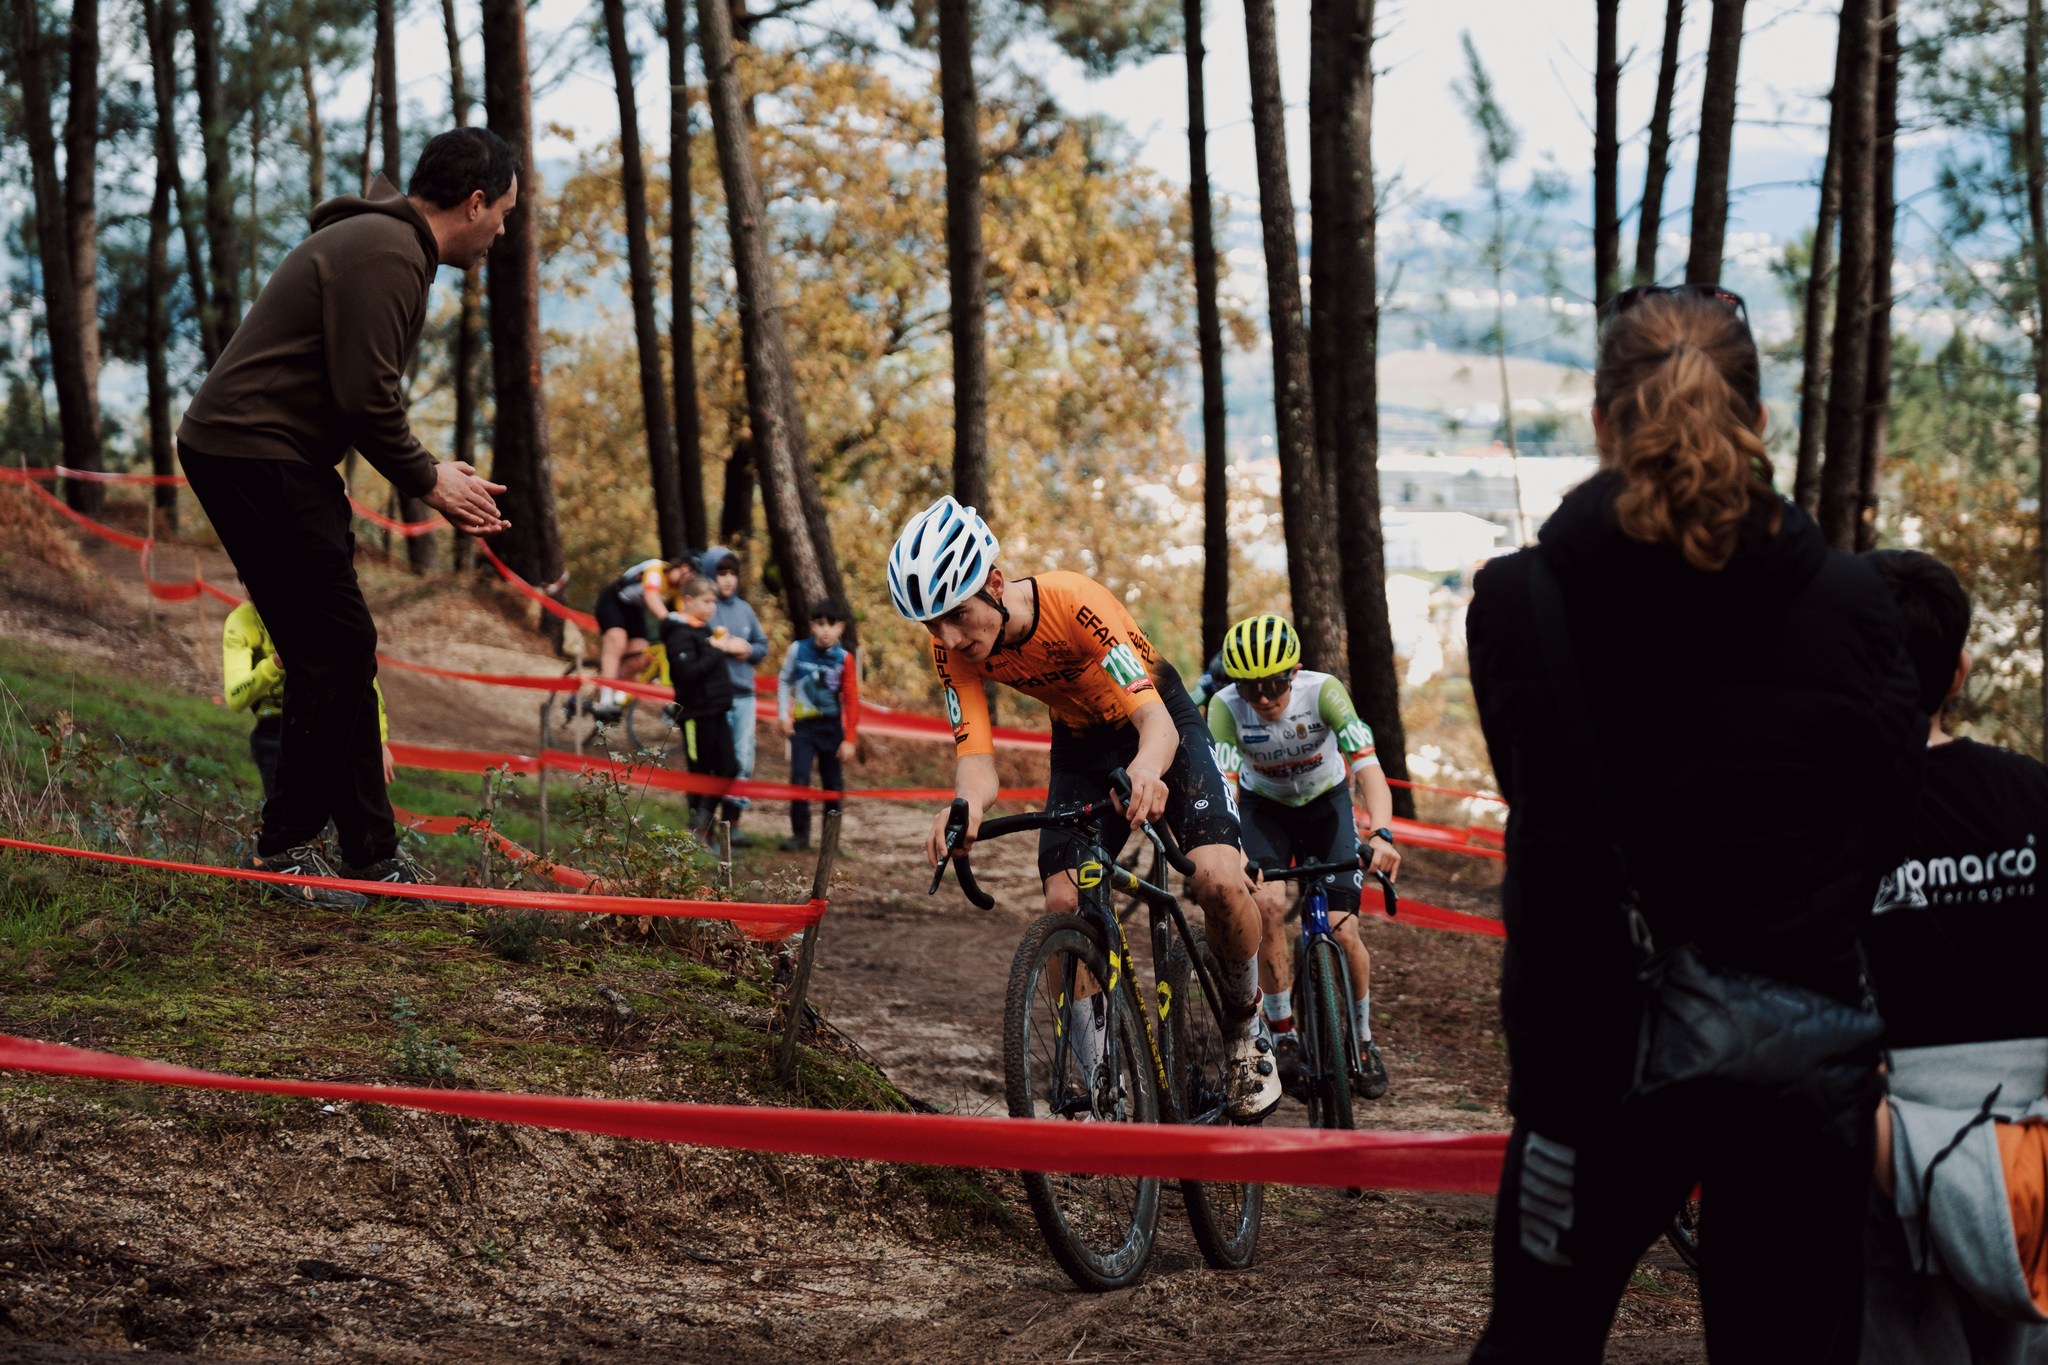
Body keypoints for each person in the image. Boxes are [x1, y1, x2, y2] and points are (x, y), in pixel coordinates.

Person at [1464, 284, 1923, 1363]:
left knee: (1536, 1341)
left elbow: (1536, 798)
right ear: (1759, 422)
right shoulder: (1856, 607)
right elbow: (1888, 824)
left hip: (1586, 1056)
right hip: (1798, 1060)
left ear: (1600, 424)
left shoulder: (1515, 604)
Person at [175, 127, 516, 909]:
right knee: (334, 642)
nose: (503, 229)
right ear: (474, 202)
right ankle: (286, 851)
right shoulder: (388, 253)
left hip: (271, 454)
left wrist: (429, 470)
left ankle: (373, 854)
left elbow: (352, 392)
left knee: (334, 643)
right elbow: (365, 396)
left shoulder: (385, 246)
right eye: (503, 211)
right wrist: (431, 481)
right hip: (256, 453)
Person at [888, 495, 1282, 1121]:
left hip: (1159, 725)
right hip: (1079, 744)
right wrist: (963, 805)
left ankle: (1245, 1023)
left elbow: (1155, 721)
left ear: (993, 583)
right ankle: (1101, 1087)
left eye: (957, 615)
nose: (951, 638)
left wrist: (1148, 771)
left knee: (1217, 880)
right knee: (1064, 902)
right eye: (933, 625)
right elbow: (977, 757)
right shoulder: (951, 648)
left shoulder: (1075, 604)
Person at [1860, 549, 2048, 1363]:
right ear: (1960, 668)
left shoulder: (1827, 823)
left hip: (1881, 1160)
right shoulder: (2035, 793)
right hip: (2033, 1163)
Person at [1206, 613, 1401, 1101]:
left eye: (1273, 685)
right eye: (1251, 689)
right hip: (1262, 808)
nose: (1264, 698)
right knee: (1267, 905)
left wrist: (1381, 833)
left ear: (1293, 674)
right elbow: (1225, 784)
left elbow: (1368, 766)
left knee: (1344, 928)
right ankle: (1284, 1032)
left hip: (1327, 804)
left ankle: (1363, 1039)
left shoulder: (1324, 692)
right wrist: (1232, 850)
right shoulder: (1225, 707)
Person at [223, 600, 393, 799]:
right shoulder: (241, 621)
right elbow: (236, 697)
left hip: (326, 722)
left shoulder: (316, 611)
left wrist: (379, 742)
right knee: (290, 816)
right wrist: (275, 664)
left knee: (342, 813)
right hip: (274, 730)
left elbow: (362, 676)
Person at [652, 574, 737, 838]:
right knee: (699, 772)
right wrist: (715, 650)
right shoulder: (678, 633)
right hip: (695, 714)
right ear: (688, 601)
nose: (712, 607)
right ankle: (697, 828)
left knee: (728, 768)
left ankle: (704, 819)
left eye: (714, 602)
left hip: (718, 710)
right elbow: (687, 672)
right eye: (707, 601)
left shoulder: (703, 630)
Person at [776, 598, 861, 853]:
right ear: (812, 625)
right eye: (820, 623)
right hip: (803, 726)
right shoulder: (797, 650)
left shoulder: (845, 658)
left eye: (831, 624)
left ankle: (831, 841)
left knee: (832, 784)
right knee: (799, 778)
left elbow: (852, 699)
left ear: (841, 628)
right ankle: (800, 834)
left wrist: (850, 739)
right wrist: (783, 715)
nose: (826, 629)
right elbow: (783, 681)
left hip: (832, 728)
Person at [701, 546, 769, 843]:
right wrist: (724, 646)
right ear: (710, 575)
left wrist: (749, 650)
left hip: (744, 696)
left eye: (732, 574)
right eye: (721, 573)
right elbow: (697, 642)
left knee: (742, 758)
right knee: (716, 760)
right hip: (714, 697)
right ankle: (707, 824)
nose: (728, 580)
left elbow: (762, 645)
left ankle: (733, 823)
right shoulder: (706, 608)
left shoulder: (744, 610)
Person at [589, 557, 687, 722]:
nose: (687, 579)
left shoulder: (677, 590)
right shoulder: (657, 569)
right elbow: (651, 597)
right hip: (613, 600)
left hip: (634, 610)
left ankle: (617, 694)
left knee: (640, 657)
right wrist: (670, 621)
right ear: (681, 566)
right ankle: (605, 699)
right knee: (617, 641)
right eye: (687, 573)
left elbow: (683, 613)